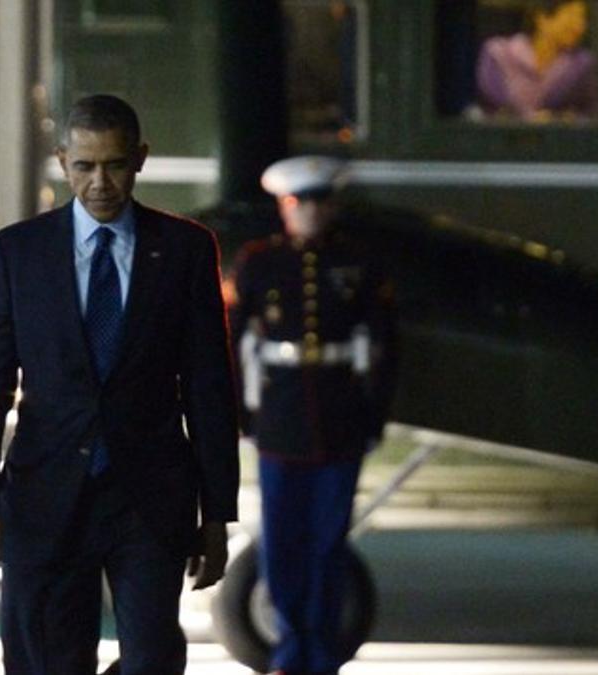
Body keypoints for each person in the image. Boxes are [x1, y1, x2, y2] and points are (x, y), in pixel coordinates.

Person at [0, 94, 240, 675]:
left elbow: (209, 387)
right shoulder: (18, 253)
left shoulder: (185, 251)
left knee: (154, 660)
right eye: (84, 166)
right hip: (45, 493)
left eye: (113, 164)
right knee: (45, 661)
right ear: (63, 162)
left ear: (140, 159)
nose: (100, 182)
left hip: (150, 496)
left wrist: (217, 512)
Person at [230, 156, 397, 675]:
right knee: (282, 545)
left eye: (322, 202)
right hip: (280, 422)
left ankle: (321, 656)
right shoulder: (259, 262)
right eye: (303, 203)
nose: (313, 213)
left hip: (341, 418)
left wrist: (375, 414)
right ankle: (289, 651)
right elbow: (233, 342)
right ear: (285, 206)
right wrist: (240, 412)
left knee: (327, 544)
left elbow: (386, 344)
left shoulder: (358, 263)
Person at [476, 0, 598, 121]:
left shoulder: (581, 65)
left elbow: (590, 116)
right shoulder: (498, 55)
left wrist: (565, 119)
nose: (580, 26)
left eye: (582, 19)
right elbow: (489, 108)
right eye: (572, 18)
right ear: (543, 19)